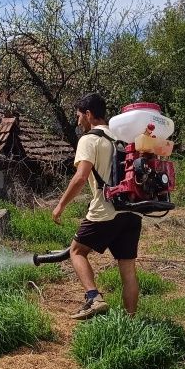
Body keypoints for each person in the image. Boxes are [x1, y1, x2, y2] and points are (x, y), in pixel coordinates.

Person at [52, 91, 142, 320]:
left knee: (77, 251)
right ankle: (130, 322)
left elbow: (81, 177)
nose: (78, 121)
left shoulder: (89, 139)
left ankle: (94, 297)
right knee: (128, 269)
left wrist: (60, 205)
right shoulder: (122, 138)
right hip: (132, 210)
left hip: (106, 209)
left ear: (89, 114)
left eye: (79, 116)